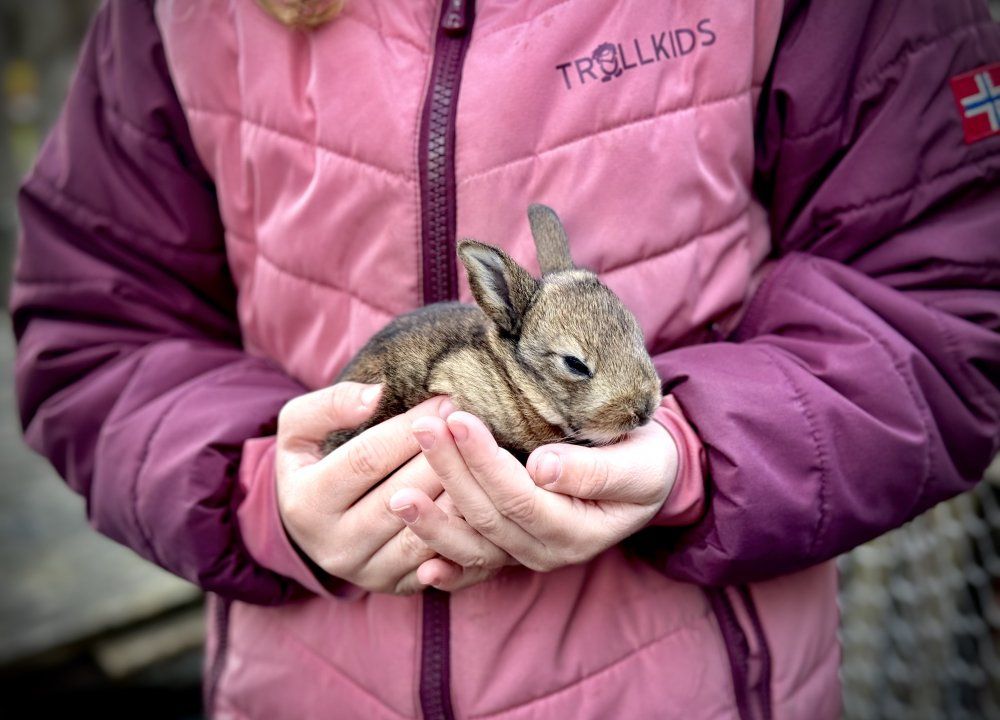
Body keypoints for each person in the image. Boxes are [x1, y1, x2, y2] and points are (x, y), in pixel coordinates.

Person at [11, 0, 1000, 718]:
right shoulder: (180, 20)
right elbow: (95, 323)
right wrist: (258, 492)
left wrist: (698, 457)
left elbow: (940, 292)